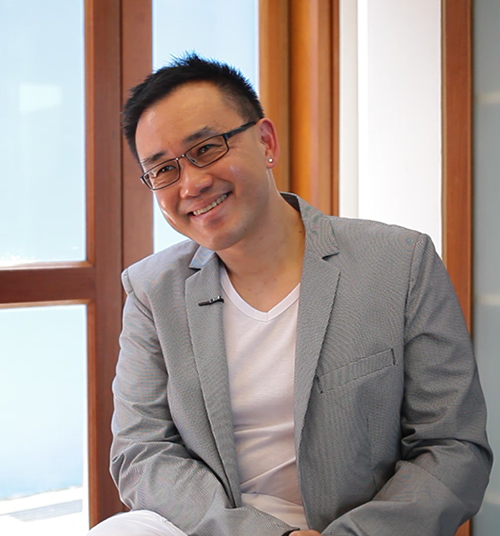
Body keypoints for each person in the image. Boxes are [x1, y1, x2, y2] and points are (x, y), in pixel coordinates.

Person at [88, 54, 492, 536]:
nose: (191, 184)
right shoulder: (153, 289)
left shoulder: (399, 261)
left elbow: (452, 447)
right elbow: (142, 452)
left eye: (206, 149)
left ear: (265, 142)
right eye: (163, 171)